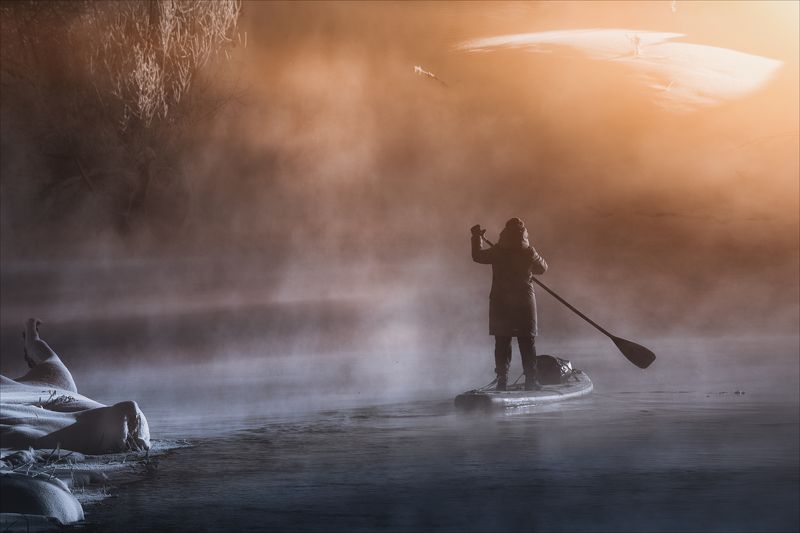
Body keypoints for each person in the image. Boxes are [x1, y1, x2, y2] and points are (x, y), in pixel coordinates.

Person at [471, 218, 548, 391]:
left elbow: (477, 256)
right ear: (524, 233)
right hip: (524, 302)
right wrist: (528, 268)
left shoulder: (498, 252)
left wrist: (477, 238)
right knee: (527, 342)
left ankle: (502, 381)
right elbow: (543, 268)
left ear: (504, 233)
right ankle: (531, 381)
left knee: (502, 341)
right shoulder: (528, 252)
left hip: (501, 302)